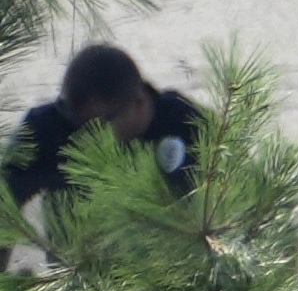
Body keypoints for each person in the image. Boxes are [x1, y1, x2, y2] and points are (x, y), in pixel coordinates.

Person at [8, 45, 200, 220]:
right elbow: (4, 204)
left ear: (138, 101)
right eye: (76, 123)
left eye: (96, 127)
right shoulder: (46, 128)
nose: (84, 137)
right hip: (77, 253)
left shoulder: (185, 122)